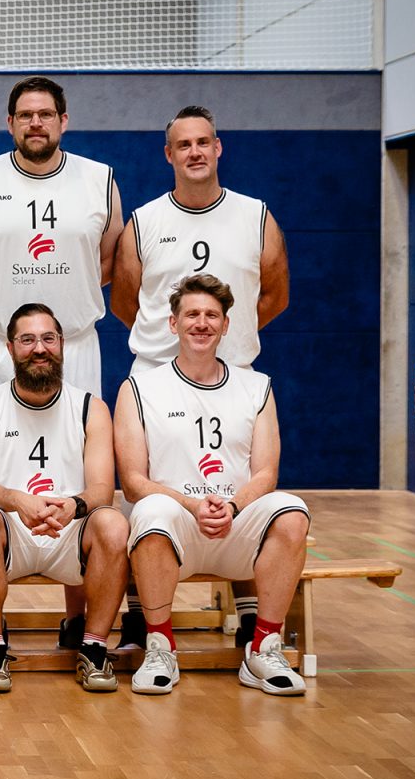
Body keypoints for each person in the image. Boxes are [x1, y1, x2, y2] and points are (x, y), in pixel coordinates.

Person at [0, 76, 123, 645]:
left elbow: (108, 258)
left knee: (79, 482)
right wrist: (2, 305)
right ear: (10, 123)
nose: (36, 123)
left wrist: (55, 313)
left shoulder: (99, 179)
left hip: (73, 341)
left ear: (64, 121)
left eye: (46, 114)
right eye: (25, 115)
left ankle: (79, 620)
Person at [112, 104, 292, 650]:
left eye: (203, 142)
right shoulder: (144, 221)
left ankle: (251, 613)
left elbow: (275, 293)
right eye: (183, 144)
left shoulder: (256, 216)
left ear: (219, 148)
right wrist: (174, 345)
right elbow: (125, 300)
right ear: (169, 154)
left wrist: (222, 342)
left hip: (232, 375)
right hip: (157, 374)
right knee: (147, 498)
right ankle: (142, 617)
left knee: (237, 489)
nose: (195, 151)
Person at [114, 274, 311, 697]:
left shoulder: (256, 386)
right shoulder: (139, 388)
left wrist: (233, 506)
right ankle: (160, 647)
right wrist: (192, 505)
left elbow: (266, 473)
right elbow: (132, 482)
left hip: (235, 526)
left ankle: (263, 648)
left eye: (211, 315)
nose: (201, 323)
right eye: (192, 315)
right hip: (176, 528)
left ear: (225, 325)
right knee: (149, 510)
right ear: (173, 323)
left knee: (292, 511)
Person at [0, 303, 128, 693]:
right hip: (12, 532)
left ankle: (94, 648)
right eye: (28, 340)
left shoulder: (91, 408)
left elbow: (103, 489)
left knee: (113, 523)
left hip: (69, 531)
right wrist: (19, 501)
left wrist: (72, 506)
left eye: (48, 338)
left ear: (62, 344)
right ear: (10, 348)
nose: (39, 348)